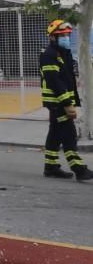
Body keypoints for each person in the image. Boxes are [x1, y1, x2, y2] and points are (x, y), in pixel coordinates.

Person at [40, 20, 93, 181]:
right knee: (69, 133)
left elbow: (68, 80)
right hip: (57, 102)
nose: (66, 38)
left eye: (67, 35)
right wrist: (67, 104)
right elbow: (54, 81)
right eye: (61, 35)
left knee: (55, 134)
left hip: (61, 101)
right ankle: (79, 169)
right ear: (52, 38)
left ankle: (51, 167)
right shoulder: (49, 54)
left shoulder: (64, 53)